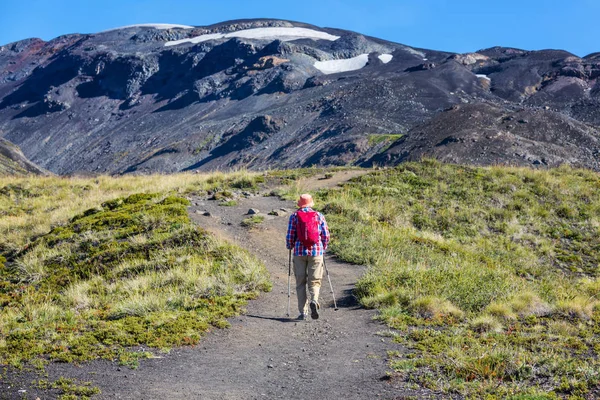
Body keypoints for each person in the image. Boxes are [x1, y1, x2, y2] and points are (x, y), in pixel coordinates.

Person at [286, 193, 330, 320]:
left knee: (300, 282)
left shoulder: (294, 216)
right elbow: (326, 235)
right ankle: (314, 300)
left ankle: (303, 312)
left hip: (299, 253)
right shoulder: (319, 216)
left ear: (300, 204)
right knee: (315, 280)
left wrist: (290, 246)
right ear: (311, 203)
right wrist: (323, 247)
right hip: (316, 252)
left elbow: (290, 236)